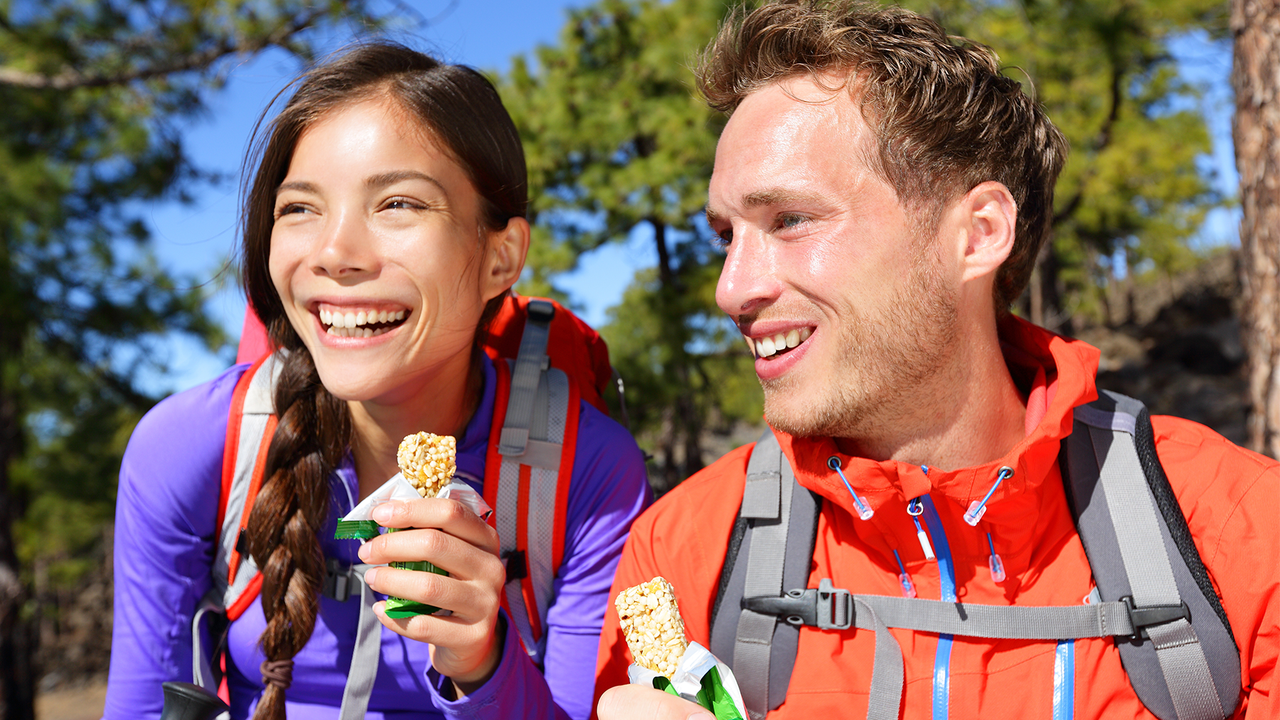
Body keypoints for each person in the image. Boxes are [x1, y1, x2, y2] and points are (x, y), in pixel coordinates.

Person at [594, 2, 1278, 719]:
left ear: (978, 235)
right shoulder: (673, 555)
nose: (730, 289)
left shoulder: (1246, 537)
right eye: (725, 236)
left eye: (790, 220)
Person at [104, 41, 651, 720]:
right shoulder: (191, 447)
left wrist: (482, 663)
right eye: (299, 208)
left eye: (397, 203)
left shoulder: (586, 471)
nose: (334, 254)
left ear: (501, 257)